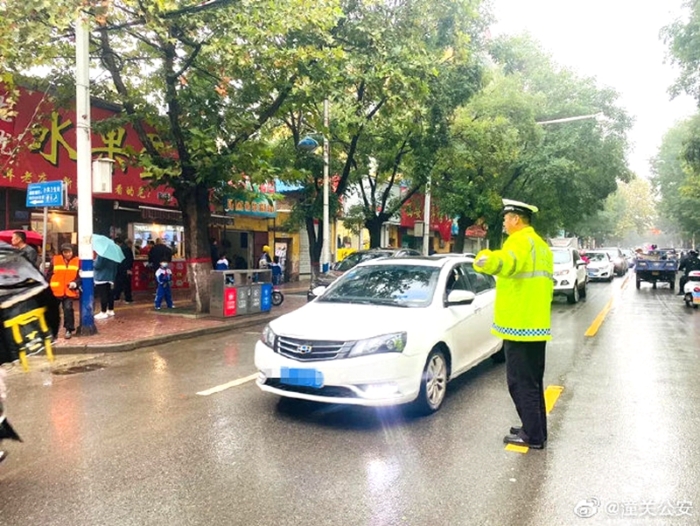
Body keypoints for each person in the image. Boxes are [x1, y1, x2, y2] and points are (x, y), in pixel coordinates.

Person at [474, 199, 554, 449]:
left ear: (516, 219)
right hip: (536, 324)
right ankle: (536, 429)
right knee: (532, 382)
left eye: (507, 219)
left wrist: (484, 258)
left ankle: (532, 436)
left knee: (519, 383)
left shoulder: (519, 242)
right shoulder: (541, 246)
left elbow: (506, 263)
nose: (505, 224)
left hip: (519, 325)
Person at [47, 243, 81, 339]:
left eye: (69, 252)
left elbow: (80, 276)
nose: (68, 254)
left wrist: (76, 283)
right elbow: (49, 274)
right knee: (53, 311)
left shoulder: (77, 261)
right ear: (62, 252)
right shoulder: (55, 260)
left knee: (68, 309)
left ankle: (69, 329)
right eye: (65, 252)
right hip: (55, 290)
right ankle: (52, 331)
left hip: (69, 290)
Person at [94, 254, 118, 320]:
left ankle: (103, 312)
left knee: (103, 295)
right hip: (110, 277)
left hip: (101, 277)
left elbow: (97, 266)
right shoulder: (114, 255)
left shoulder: (102, 254)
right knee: (110, 294)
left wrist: (93, 262)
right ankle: (110, 310)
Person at [113, 239, 135, 303]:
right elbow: (130, 260)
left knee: (118, 283)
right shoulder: (127, 249)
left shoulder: (119, 250)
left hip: (119, 269)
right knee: (127, 284)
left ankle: (117, 297)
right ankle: (128, 298)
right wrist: (128, 269)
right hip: (125, 269)